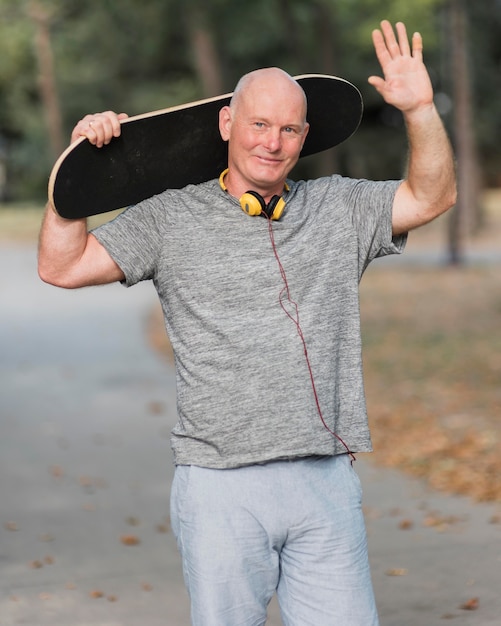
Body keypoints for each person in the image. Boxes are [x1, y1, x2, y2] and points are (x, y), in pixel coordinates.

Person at [39, 20, 456, 626]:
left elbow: (431, 196)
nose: (273, 142)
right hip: (220, 490)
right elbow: (62, 265)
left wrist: (419, 109)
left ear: (305, 136)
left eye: (289, 129)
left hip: (325, 483)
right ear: (227, 124)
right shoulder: (169, 219)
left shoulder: (339, 207)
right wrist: (76, 178)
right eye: (259, 124)